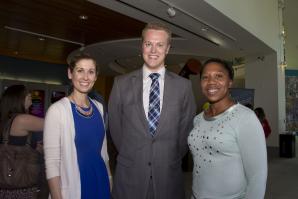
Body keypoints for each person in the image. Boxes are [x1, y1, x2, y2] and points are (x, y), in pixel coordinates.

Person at [108, 22, 196, 199]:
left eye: (160, 44)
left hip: (168, 177)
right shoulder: (121, 84)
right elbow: (116, 129)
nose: (153, 50)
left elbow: (186, 131)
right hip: (130, 176)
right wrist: (133, 153)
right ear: (142, 46)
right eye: (148, 44)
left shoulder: (183, 86)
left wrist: (167, 155)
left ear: (168, 48)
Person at [188, 58, 267, 199]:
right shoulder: (198, 119)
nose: (211, 82)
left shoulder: (245, 118)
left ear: (230, 82)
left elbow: (258, 176)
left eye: (219, 76)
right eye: (205, 77)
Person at [43, 53, 111, 199]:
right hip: (74, 187)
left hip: (101, 181)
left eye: (90, 72)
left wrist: (110, 180)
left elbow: (103, 152)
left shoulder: (99, 107)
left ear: (96, 76)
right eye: (80, 71)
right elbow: (52, 162)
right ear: (70, 73)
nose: (85, 77)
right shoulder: (57, 110)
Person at [0, 84, 44, 197]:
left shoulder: (8, 119)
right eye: (26, 93)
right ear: (17, 98)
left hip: (8, 189)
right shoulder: (21, 119)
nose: (30, 95)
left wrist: (34, 147)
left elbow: (16, 146)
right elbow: (54, 123)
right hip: (21, 190)